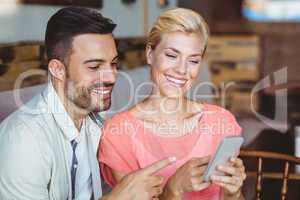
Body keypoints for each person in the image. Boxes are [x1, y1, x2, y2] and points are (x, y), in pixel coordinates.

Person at [0, 7, 175, 200]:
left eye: (114, 64)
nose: (111, 76)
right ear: (57, 69)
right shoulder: (22, 141)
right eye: (94, 66)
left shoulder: (96, 123)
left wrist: (172, 190)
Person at [99, 8, 247, 200]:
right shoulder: (119, 134)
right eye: (171, 55)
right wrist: (173, 190)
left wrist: (232, 194)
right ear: (150, 54)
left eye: (193, 60)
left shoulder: (221, 122)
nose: (182, 70)